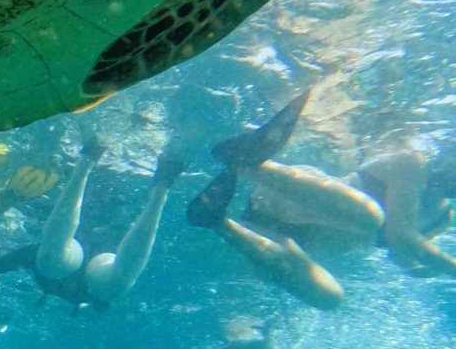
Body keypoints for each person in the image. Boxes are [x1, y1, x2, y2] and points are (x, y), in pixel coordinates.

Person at [189, 89, 456, 309]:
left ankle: (216, 219)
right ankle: (251, 165)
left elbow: (401, 254)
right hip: (287, 195)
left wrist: (425, 266)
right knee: (371, 218)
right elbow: (401, 237)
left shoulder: (443, 217)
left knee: (329, 298)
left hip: (276, 235)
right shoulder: (412, 163)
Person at [0, 137, 185, 311]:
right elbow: (20, 257)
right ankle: (157, 186)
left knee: (57, 260)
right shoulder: (84, 294)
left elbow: (22, 256)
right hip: (91, 269)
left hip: (82, 269)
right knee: (60, 260)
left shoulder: (64, 287)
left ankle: (158, 187)